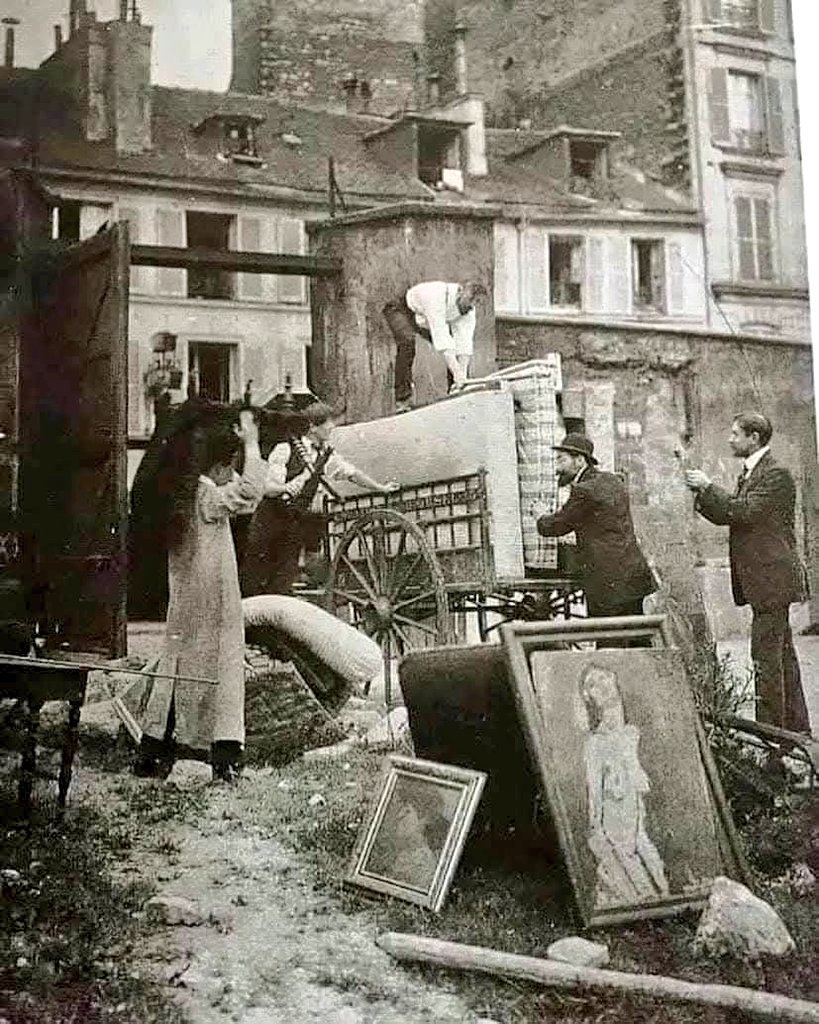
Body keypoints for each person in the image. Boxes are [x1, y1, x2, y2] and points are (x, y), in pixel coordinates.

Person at [134, 407, 265, 782]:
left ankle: (155, 746)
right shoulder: (207, 499)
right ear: (216, 468)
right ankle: (219, 749)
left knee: (177, 663)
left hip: (186, 595)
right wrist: (252, 444)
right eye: (229, 466)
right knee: (218, 664)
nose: (232, 473)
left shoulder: (182, 496)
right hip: (212, 596)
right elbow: (251, 492)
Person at [684, 412, 809, 734]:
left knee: (766, 661)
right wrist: (703, 493)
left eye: (735, 433)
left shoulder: (776, 474)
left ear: (754, 438)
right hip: (767, 582)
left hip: (772, 582)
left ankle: (771, 741)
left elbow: (743, 512)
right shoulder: (755, 472)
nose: (729, 439)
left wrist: (708, 486)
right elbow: (730, 514)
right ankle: (794, 733)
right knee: (782, 659)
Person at [241, 401, 398, 596]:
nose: (332, 427)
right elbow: (269, 489)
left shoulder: (324, 453)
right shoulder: (285, 449)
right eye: (328, 423)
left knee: (282, 582)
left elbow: (351, 473)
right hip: (269, 522)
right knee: (254, 579)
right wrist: (287, 487)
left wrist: (380, 488)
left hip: (293, 523)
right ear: (313, 427)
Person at [532, 433, 655, 634]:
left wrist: (540, 516)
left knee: (608, 642)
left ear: (579, 460)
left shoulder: (584, 490)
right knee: (637, 639)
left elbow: (556, 526)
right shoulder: (612, 480)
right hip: (633, 575)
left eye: (561, 459)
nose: (557, 467)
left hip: (606, 582)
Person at [580, 664, 670, 910]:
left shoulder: (633, 733)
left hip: (636, 808)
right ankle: (648, 899)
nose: (602, 686)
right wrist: (595, 825)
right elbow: (594, 791)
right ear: (590, 697)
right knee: (625, 853)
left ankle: (663, 895)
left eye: (604, 678)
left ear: (614, 679)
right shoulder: (595, 744)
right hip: (615, 811)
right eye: (593, 684)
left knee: (643, 845)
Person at [383, 280, 487, 412]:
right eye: (470, 300)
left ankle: (455, 393)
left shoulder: (469, 311)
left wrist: (462, 378)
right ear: (459, 292)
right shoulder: (436, 297)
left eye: (476, 302)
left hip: (424, 320)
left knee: (455, 350)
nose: (472, 306)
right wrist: (458, 374)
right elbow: (442, 339)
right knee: (407, 343)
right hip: (402, 309)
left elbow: (464, 345)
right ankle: (402, 400)